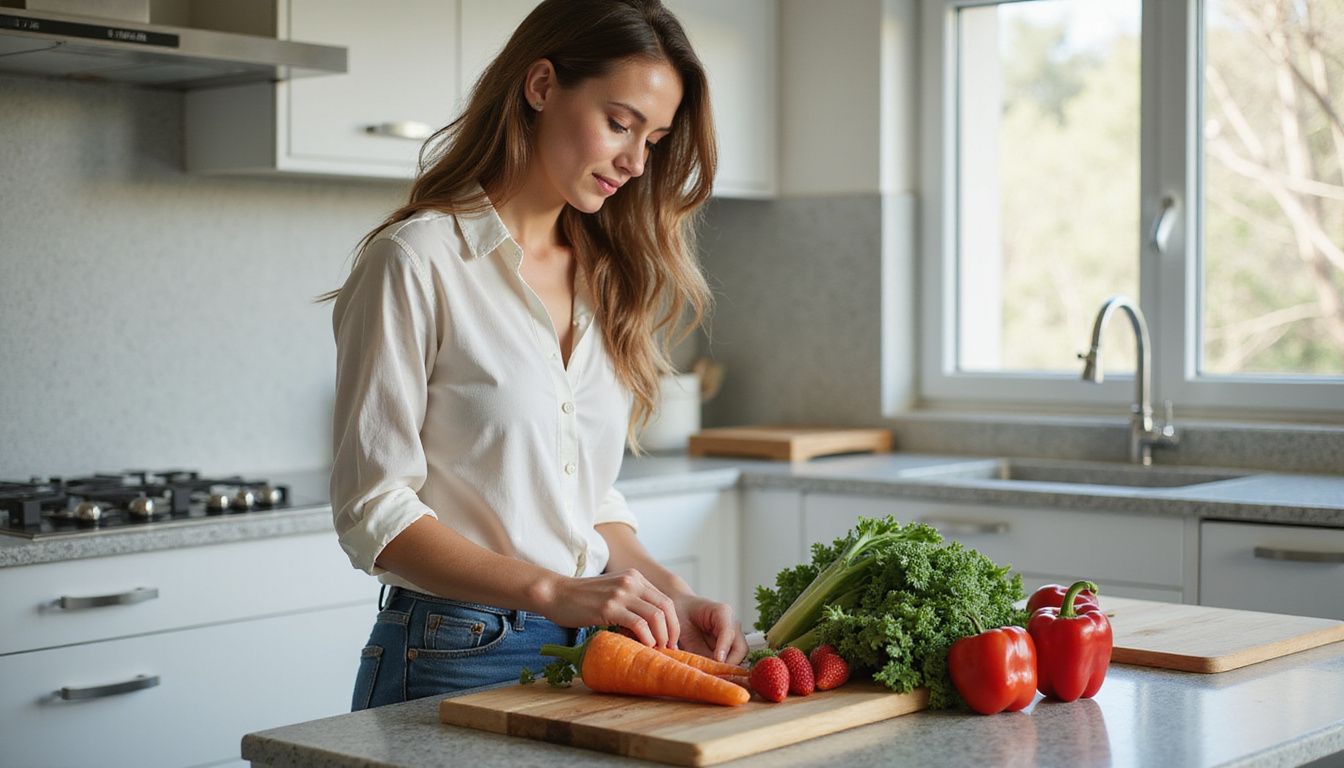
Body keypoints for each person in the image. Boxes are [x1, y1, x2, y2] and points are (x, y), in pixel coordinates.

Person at [324, 0, 746, 711]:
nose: (635, 162)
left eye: (655, 140)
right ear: (543, 86)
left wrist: (667, 590)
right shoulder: (417, 260)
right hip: (454, 650)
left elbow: (581, 495)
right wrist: (556, 590)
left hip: (594, 650)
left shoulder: (608, 275)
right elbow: (377, 512)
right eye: (619, 124)